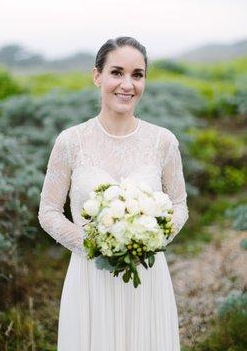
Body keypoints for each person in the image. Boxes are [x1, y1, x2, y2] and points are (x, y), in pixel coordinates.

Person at [38, 36, 189, 350]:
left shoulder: (163, 141)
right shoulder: (71, 141)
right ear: (97, 76)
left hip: (146, 277)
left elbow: (179, 204)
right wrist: (95, 245)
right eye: (117, 72)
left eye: (137, 75)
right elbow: (49, 211)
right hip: (89, 278)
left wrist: (147, 242)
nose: (127, 84)